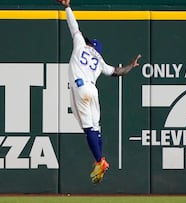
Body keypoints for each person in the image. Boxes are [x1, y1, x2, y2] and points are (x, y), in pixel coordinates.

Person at [57, 0, 142, 184]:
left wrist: (67, 7)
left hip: (80, 88)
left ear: (90, 45)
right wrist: (131, 66)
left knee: (88, 128)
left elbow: (74, 27)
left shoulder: (81, 45)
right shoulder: (100, 61)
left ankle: (99, 161)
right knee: (96, 128)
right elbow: (117, 72)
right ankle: (100, 160)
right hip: (93, 91)